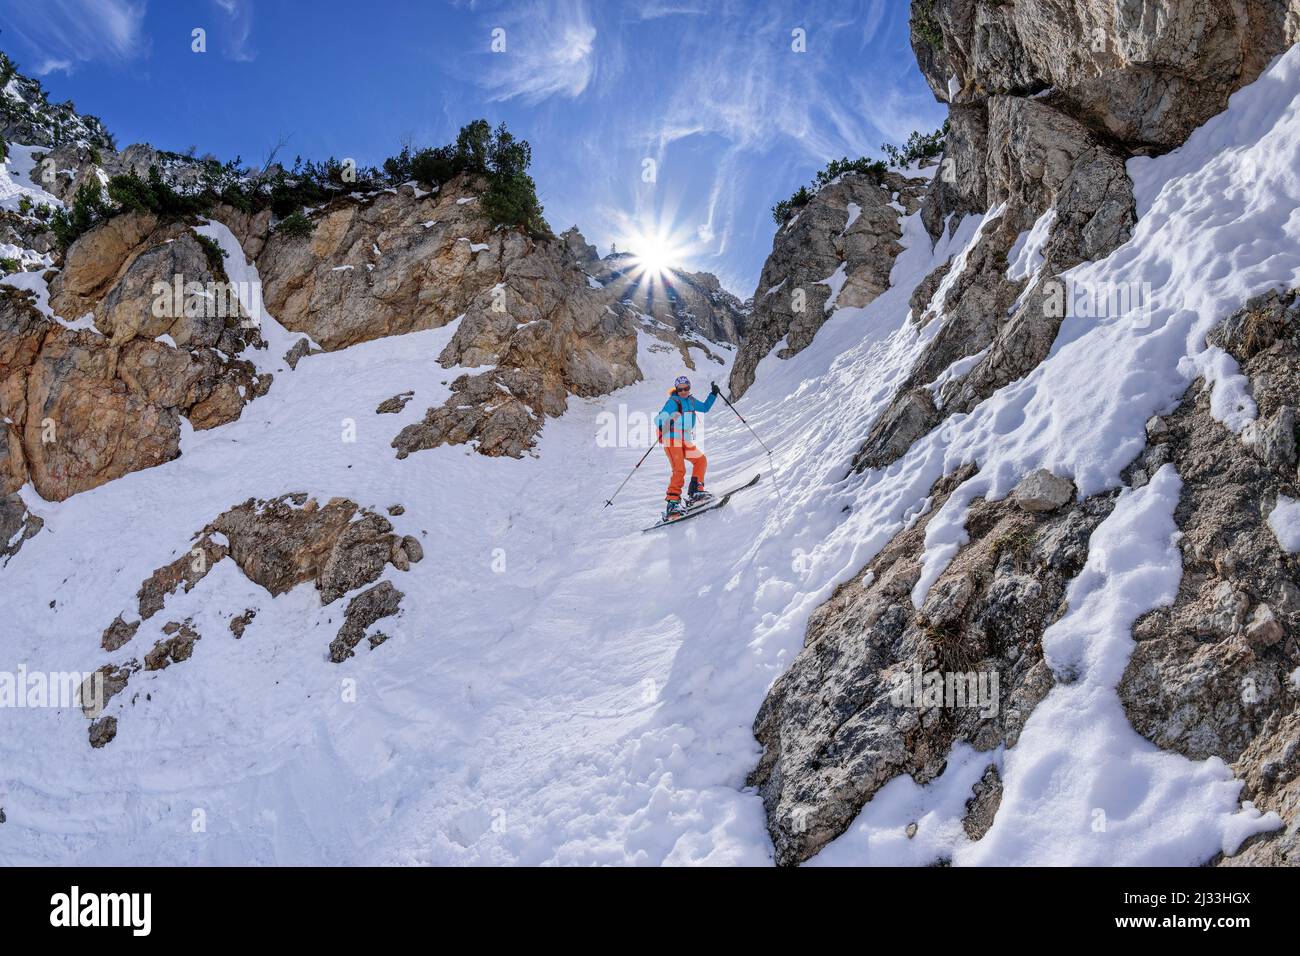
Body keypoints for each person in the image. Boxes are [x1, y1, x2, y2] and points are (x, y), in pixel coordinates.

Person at [656, 375, 720, 520]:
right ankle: (672, 504)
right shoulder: (673, 401)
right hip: (672, 439)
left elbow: (704, 408)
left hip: (684, 440)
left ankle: (696, 492)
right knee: (680, 469)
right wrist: (666, 422)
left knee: (700, 460)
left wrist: (713, 394)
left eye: (686, 388)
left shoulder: (690, 401)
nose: (684, 391)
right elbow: (659, 419)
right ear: (676, 389)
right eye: (681, 389)